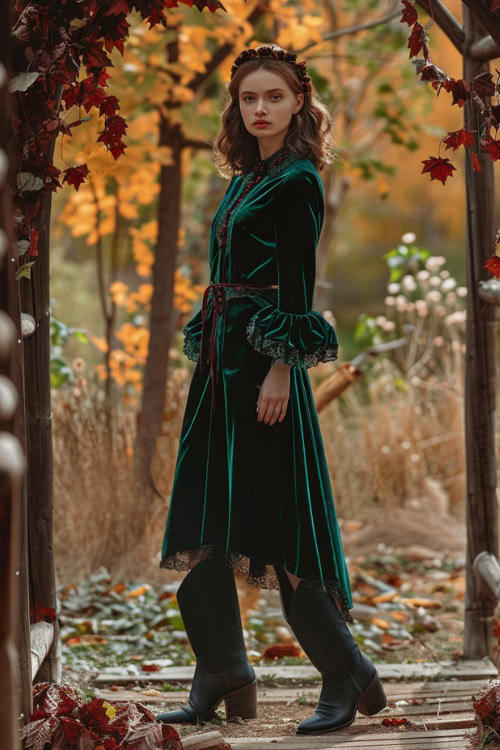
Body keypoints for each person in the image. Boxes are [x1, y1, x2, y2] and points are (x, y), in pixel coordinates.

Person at [156, 44, 387, 735]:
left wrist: (283, 369)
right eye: (249, 99)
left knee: (280, 532)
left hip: (264, 374)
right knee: (205, 525)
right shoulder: (245, 178)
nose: (259, 109)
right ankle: (222, 673)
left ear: (298, 104)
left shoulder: (298, 183)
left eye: (274, 98)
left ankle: (347, 678)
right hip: (219, 373)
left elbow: (296, 284)